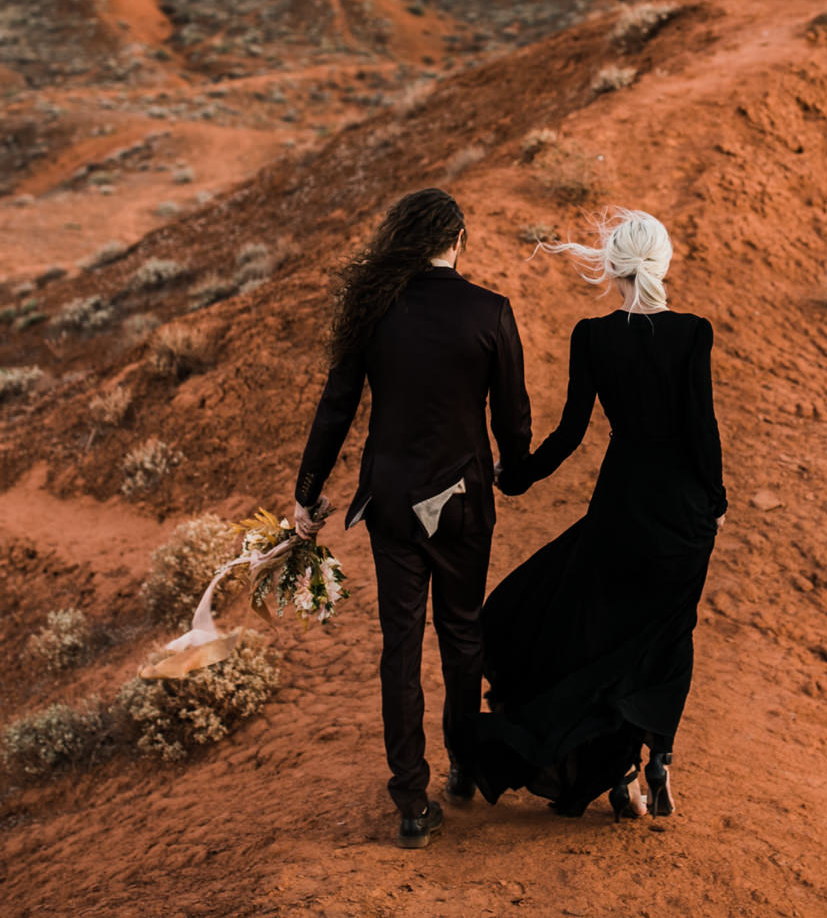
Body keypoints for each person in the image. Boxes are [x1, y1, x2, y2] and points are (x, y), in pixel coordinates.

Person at [451, 209, 725, 820]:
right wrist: (716, 501)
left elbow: (572, 432)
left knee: (594, 634)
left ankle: (618, 771)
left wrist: (517, 476)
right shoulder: (693, 333)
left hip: (622, 504)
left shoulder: (592, 336)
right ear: (662, 262)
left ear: (615, 266)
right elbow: (701, 430)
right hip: (682, 513)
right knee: (665, 637)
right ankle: (656, 762)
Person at [292, 188, 531, 849]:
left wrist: (305, 491)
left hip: (392, 505)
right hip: (463, 507)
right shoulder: (491, 311)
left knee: (400, 644)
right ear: (456, 242)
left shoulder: (374, 308)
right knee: (461, 633)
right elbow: (512, 416)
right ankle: (461, 766)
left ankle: (409, 799)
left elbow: (336, 405)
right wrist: (512, 469)